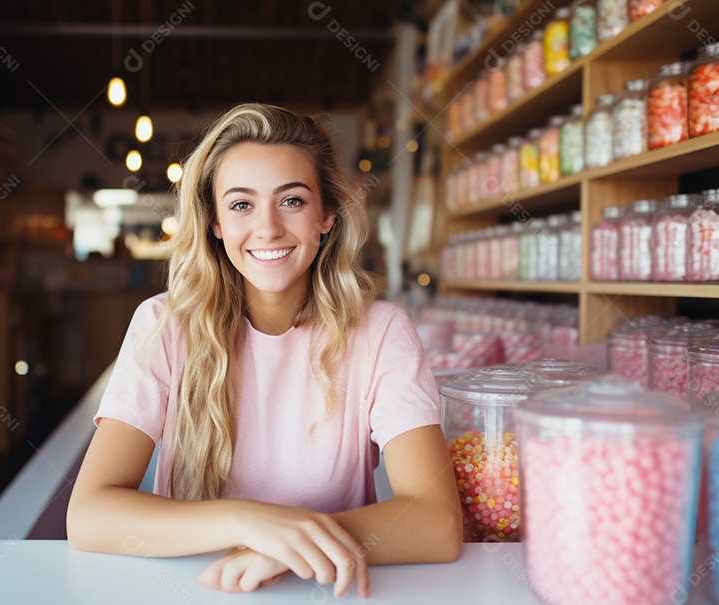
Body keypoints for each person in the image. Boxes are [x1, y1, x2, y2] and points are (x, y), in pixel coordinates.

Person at [66, 103, 461, 597]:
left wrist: (283, 548)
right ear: (214, 223)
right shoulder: (163, 325)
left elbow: (439, 523)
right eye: (241, 204)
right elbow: (88, 516)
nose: (268, 227)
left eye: (292, 201)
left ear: (327, 217)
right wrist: (250, 523)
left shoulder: (381, 332)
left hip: (323, 593)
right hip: (194, 589)